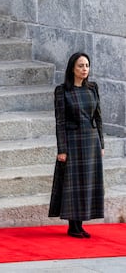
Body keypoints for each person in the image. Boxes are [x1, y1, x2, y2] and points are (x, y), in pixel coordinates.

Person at [48, 52, 105, 238]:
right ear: (72, 68)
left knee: (87, 183)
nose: (84, 69)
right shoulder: (62, 91)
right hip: (73, 141)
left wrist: (101, 143)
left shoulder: (93, 88)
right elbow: (60, 122)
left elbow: (98, 117)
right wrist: (62, 149)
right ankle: (73, 226)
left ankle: (80, 224)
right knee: (73, 183)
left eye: (87, 65)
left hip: (91, 141)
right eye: (80, 65)